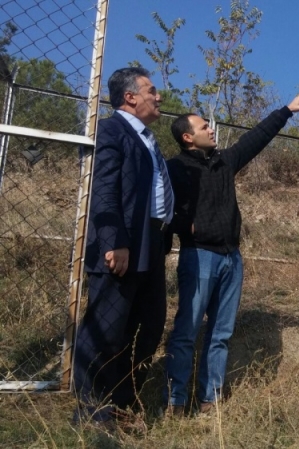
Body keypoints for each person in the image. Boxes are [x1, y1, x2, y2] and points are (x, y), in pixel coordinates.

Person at [163, 91, 299, 416]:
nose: (211, 129)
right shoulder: (174, 168)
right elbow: (162, 208)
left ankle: (209, 401)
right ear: (188, 137)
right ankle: (174, 402)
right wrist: (187, 228)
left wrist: (286, 111)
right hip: (198, 257)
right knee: (186, 332)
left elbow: (256, 139)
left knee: (221, 334)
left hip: (232, 259)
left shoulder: (223, 162)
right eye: (204, 127)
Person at [73, 67, 173, 429]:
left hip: (151, 242)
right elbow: (104, 191)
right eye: (151, 90)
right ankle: (89, 414)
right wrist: (116, 241)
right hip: (123, 242)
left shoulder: (147, 137)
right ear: (130, 97)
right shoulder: (112, 129)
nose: (158, 97)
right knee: (106, 328)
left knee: (147, 325)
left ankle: (121, 405)